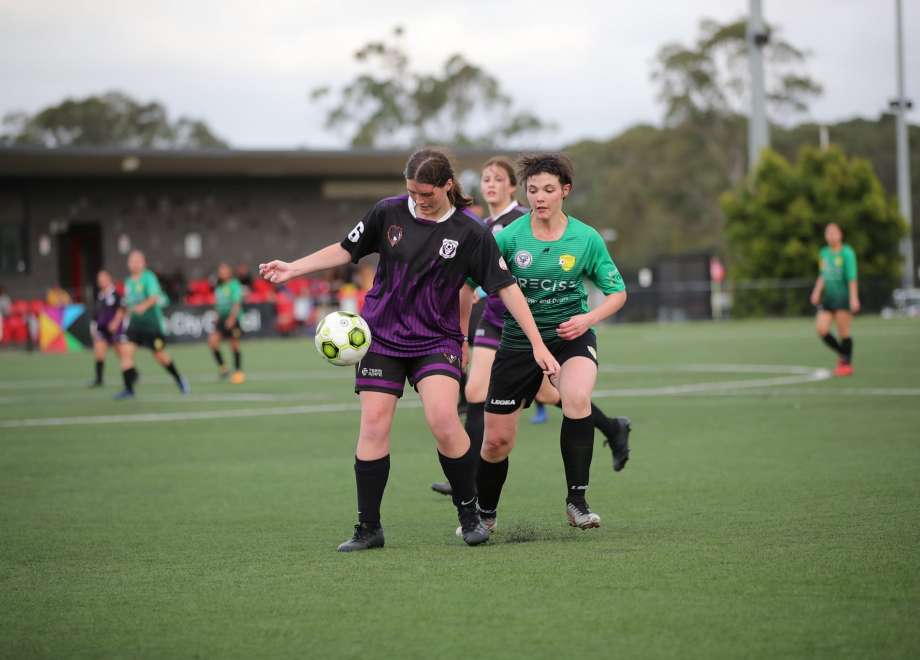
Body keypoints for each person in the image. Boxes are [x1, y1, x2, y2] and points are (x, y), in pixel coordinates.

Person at [259, 147, 558, 552]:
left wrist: (537, 342)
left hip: (436, 338)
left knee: (443, 421)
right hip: (382, 337)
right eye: (412, 192)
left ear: (447, 185)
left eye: (426, 193)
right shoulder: (388, 212)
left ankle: (470, 516)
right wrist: (292, 267)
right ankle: (369, 528)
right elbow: (346, 248)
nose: (418, 200)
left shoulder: (472, 233)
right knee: (374, 425)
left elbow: (507, 288)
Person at [431, 156, 631, 497]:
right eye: (485, 179)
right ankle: (610, 427)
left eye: (497, 179)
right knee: (511, 397)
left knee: (563, 395)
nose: (490, 185)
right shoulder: (491, 227)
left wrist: (586, 319)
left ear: (512, 187)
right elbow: (466, 279)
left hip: (542, 330)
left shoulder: (532, 225)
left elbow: (617, 292)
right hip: (504, 328)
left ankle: (475, 477)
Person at [115, 250, 190, 399]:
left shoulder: (148, 277)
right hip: (135, 325)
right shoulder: (129, 282)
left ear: (143, 263)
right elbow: (127, 304)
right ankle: (129, 389)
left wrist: (143, 306)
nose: (134, 264)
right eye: (132, 261)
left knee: (160, 356)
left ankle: (179, 379)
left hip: (151, 325)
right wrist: (119, 317)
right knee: (125, 352)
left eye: (138, 261)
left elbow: (155, 296)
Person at [810, 222, 859, 377]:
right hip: (829, 298)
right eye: (828, 233)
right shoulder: (824, 253)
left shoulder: (847, 253)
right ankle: (843, 355)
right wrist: (816, 291)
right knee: (821, 329)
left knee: (843, 333)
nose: (830, 235)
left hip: (843, 298)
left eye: (834, 232)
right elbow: (823, 274)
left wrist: (853, 298)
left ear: (840, 234)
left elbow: (852, 277)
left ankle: (846, 364)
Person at [88, 270, 128, 387]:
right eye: (99, 279)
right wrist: (93, 326)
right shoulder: (100, 295)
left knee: (121, 354)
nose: (101, 281)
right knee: (99, 352)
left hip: (114, 329)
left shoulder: (116, 294)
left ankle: (133, 373)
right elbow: (96, 313)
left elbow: (122, 309)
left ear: (109, 279)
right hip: (102, 329)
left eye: (103, 278)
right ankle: (99, 379)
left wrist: (115, 323)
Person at [208, 262, 245, 384]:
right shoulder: (218, 287)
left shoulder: (234, 284)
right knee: (212, 342)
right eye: (220, 271)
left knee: (234, 345)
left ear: (229, 272)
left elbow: (236, 303)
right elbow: (218, 304)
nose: (221, 273)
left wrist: (232, 319)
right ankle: (223, 368)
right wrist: (216, 316)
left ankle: (238, 372)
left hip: (232, 319)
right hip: (222, 319)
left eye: (224, 270)